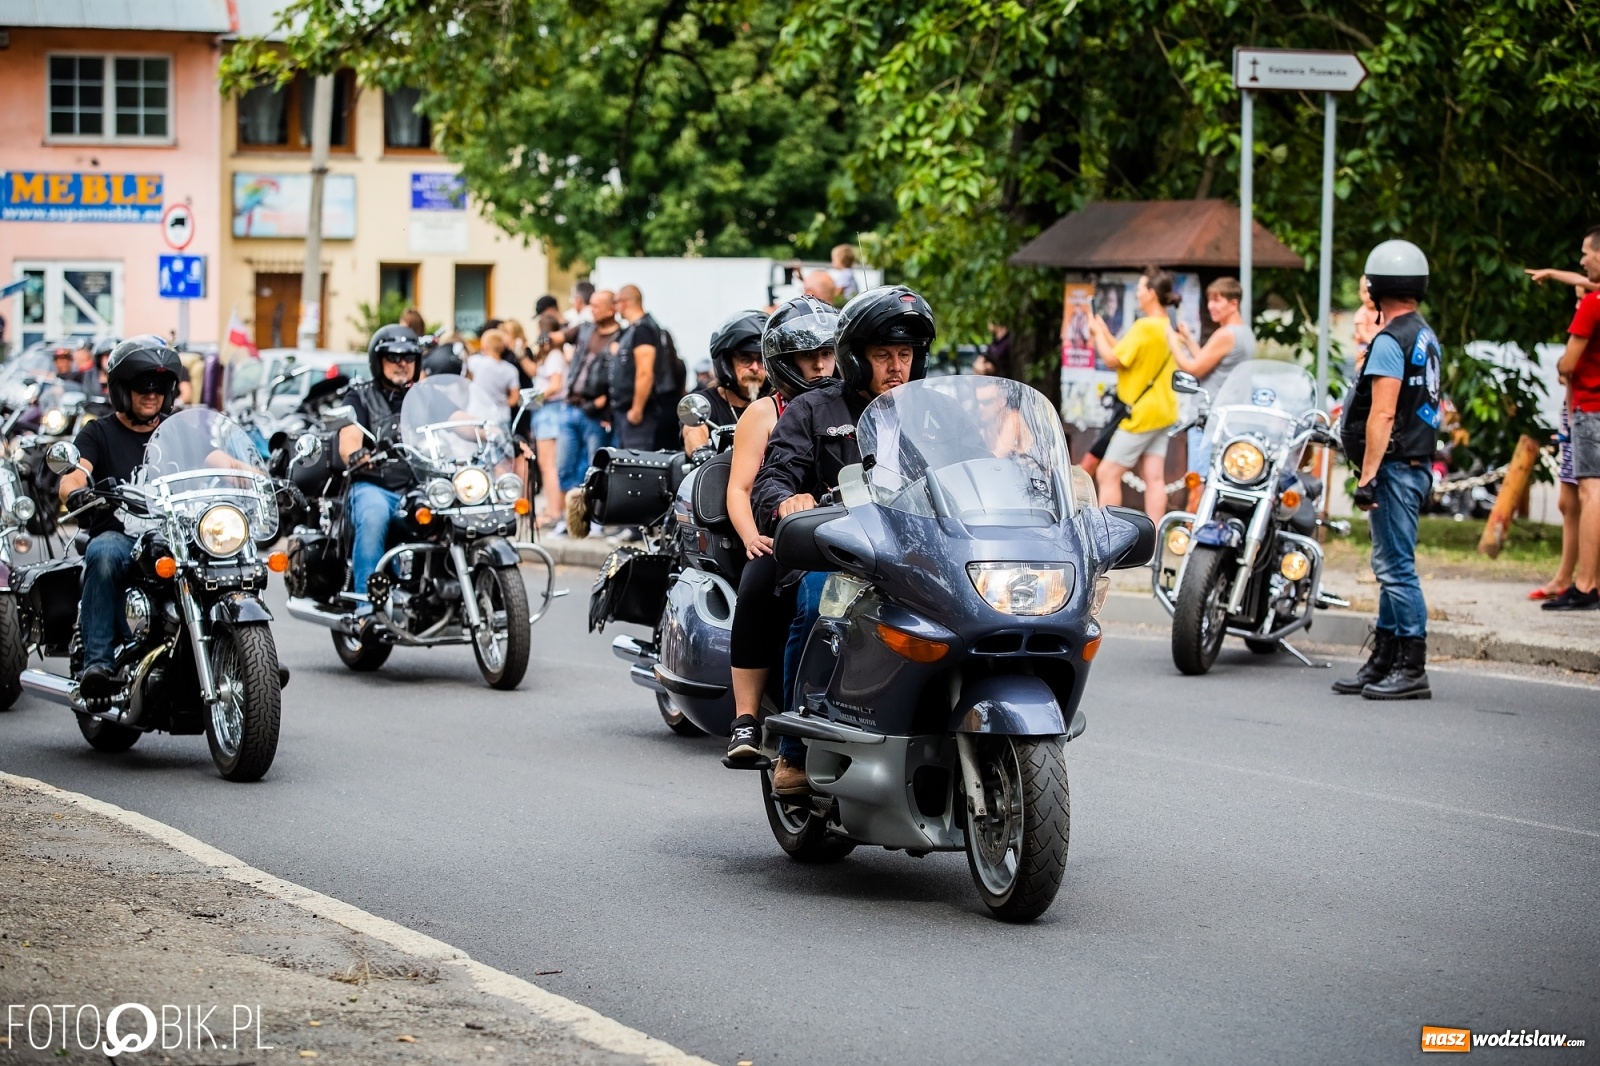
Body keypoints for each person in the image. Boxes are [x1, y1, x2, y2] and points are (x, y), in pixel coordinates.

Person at [750, 286, 935, 793]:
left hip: (919, 548)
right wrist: (788, 501)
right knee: (816, 610)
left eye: (905, 355)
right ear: (856, 359)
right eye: (883, 356)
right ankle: (792, 753)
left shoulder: (930, 413)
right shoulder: (812, 409)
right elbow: (772, 477)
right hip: (840, 550)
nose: (897, 366)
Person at [725, 297, 839, 763]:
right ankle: (746, 720)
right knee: (755, 587)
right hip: (779, 532)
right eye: (807, 356)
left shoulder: (852, 406)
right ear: (783, 362)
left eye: (827, 352)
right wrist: (753, 536)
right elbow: (741, 487)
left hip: (850, 534)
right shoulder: (764, 413)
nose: (819, 364)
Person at [1334, 239, 1443, 699]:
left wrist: (1367, 475)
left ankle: (1411, 667)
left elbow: (1382, 413)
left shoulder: (1390, 339)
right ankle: (1383, 660)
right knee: (1388, 565)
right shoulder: (1423, 333)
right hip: (1414, 463)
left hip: (1395, 466)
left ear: (1379, 287)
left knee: (1396, 569)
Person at [56, 336, 186, 698]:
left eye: (159, 386)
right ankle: (97, 662)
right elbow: (75, 473)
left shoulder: (177, 430)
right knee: (104, 553)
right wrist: (75, 488)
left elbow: (216, 461)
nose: (151, 394)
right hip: (121, 536)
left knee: (228, 559)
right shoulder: (99, 432)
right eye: (141, 386)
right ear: (121, 390)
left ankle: (245, 653)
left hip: (174, 535)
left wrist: (257, 476)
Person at [338, 325, 424, 606]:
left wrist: (496, 434)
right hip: (377, 482)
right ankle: (366, 606)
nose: (402, 364)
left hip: (421, 482)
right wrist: (355, 454)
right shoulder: (360, 395)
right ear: (378, 361)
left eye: (409, 358)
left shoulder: (424, 395)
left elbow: (459, 419)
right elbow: (348, 435)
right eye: (393, 357)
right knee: (374, 515)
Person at [1087, 266, 1180, 521]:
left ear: (1151, 293)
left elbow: (1112, 360)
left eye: (1140, 288)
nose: (1137, 293)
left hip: (1141, 414)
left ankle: (1109, 537)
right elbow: (1124, 352)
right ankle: (1156, 544)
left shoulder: (1145, 326)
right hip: (1165, 410)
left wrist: (1096, 336)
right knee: (1155, 477)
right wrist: (1104, 330)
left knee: (1107, 473)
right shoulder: (1165, 325)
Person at [1539, 225, 1600, 611]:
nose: (1581, 260)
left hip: (1590, 407)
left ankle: (1586, 583)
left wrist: (1563, 366)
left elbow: (1569, 362)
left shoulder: (1593, 304)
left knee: (1591, 492)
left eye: (1587, 252)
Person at [1172, 277, 1255, 482]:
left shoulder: (1225, 334)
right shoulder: (1245, 332)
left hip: (1210, 422)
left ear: (1234, 303)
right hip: (1230, 420)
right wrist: (1188, 340)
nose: (1211, 306)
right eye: (1209, 300)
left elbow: (1194, 369)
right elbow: (1207, 361)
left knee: (1198, 488)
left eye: (1217, 300)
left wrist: (1172, 342)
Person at [551, 289, 622, 497]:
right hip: (571, 406)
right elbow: (559, 336)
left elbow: (621, 375)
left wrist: (606, 403)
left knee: (594, 467)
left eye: (597, 306)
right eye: (591, 305)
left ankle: (593, 518)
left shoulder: (622, 336)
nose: (592, 310)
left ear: (612, 308)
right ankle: (571, 516)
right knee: (564, 465)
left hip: (596, 412)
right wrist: (545, 336)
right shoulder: (585, 329)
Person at [681, 311, 769, 454]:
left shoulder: (776, 403)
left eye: (762, 360)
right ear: (726, 363)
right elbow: (693, 431)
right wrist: (700, 451)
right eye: (745, 359)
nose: (754, 368)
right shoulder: (705, 403)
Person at [611, 285, 667, 449]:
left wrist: (636, 409)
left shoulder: (643, 329)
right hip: (627, 411)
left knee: (634, 466)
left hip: (638, 414)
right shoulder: (634, 329)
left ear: (623, 302)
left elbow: (645, 373)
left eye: (615, 302)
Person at [466, 328, 520, 427]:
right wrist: (501, 402)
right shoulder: (511, 370)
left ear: (484, 346)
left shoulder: (475, 362)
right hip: (501, 417)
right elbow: (514, 399)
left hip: (478, 416)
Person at [1352, 275, 1379, 374]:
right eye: (1364, 292)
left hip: (1380, 344)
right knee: (1362, 361)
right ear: (1359, 294)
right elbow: (1363, 333)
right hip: (1366, 344)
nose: (1368, 296)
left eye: (1371, 292)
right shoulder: (1361, 313)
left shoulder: (1381, 311)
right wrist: (1375, 343)